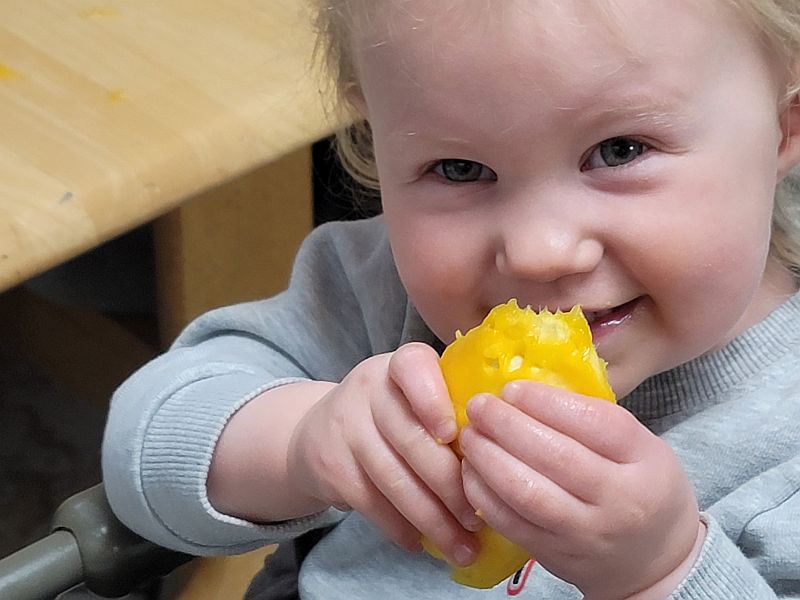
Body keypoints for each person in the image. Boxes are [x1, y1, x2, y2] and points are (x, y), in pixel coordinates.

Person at [102, 1, 800, 598]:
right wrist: (299, 443)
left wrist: (663, 572)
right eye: (460, 169)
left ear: (784, 128)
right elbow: (145, 441)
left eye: (619, 150)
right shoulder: (375, 289)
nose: (537, 250)